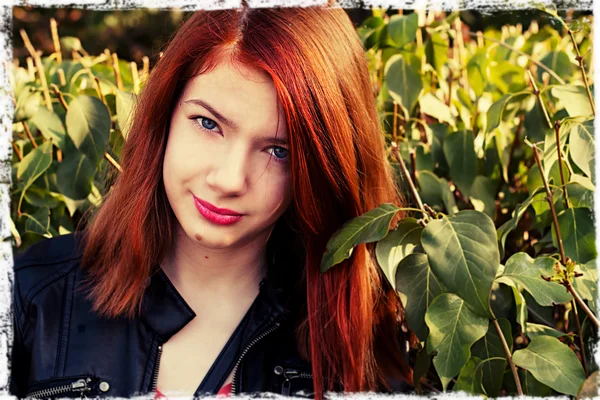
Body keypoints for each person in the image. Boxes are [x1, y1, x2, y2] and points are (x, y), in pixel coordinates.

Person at [10, 2, 414, 399]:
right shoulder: (32, 300)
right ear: (164, 113)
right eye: (209, 124)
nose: (229, 179)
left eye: (280, 151)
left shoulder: (360, 349)